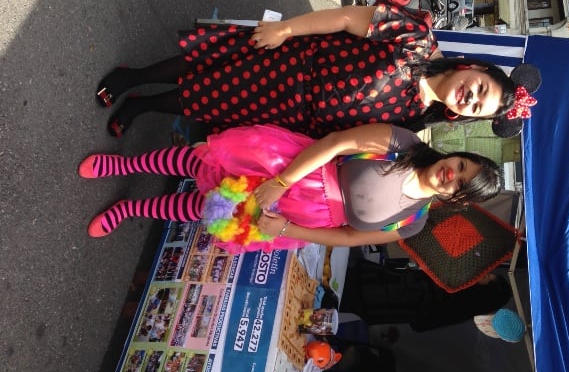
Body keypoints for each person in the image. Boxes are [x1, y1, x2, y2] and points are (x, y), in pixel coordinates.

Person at [95, 4, 538, 139]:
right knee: (207, 64)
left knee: (206, 100)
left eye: (477, 106)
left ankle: (142, 106)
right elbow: (346, 18)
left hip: (286, 112)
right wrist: (286, 29)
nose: (471, 96)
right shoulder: (417, 39)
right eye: (481, 88)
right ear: (474, 67)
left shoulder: (412, 122)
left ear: (465, 116)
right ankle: (133, 77)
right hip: (287, 60)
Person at [78, 123, 501, 251]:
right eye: (461, 165)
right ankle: (122, 163)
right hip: (296, 168)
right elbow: (336, 143)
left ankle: (129, 210)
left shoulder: (412, 222)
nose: (452, 173)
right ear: (456, 156)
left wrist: (286, 229)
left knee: (209, 208)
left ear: (456, 199)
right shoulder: (403, 143)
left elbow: (348, 238)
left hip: (301, 216)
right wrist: (282, 183)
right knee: (202, 161)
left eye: (461, 183)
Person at [338, 259, 512, 330]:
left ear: (485, 293)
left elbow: (411, 288)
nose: (481, 274)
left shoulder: (452, 289)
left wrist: (416, 267)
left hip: (373, 290)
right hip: (376, 309)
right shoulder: (459, 313)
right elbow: (419, 326)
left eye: (486, 277)